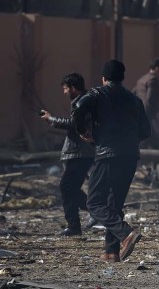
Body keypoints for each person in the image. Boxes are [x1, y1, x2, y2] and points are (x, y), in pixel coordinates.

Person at [72, 60, 150, 263]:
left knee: (95, 202)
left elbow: (78, 107)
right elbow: (146, 131)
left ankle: (126, 233)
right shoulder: (134, 99)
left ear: (104, 78)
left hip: (107, 154)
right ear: (122, 78)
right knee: (114, 204)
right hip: (130, 156)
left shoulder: (97, 94)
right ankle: (111, 252)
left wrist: (83, 131)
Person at [40, 73, 96, 236]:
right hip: (81, 152)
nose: (64, 92)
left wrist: (52, 119)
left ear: (73, 88)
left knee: (66, 187)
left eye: (66, 89)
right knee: (70, 188)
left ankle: (78, 223)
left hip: (79, 152)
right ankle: (92, 213)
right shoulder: (83, 100)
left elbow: (74, 123)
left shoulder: (82, 102)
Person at [133, 58, 159, 148]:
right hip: (148, 113)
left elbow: (132, 93)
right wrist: (157, 111)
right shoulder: (153, 80)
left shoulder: (141, 80)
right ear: (157, 68)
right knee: (153, 138)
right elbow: (151, 99)